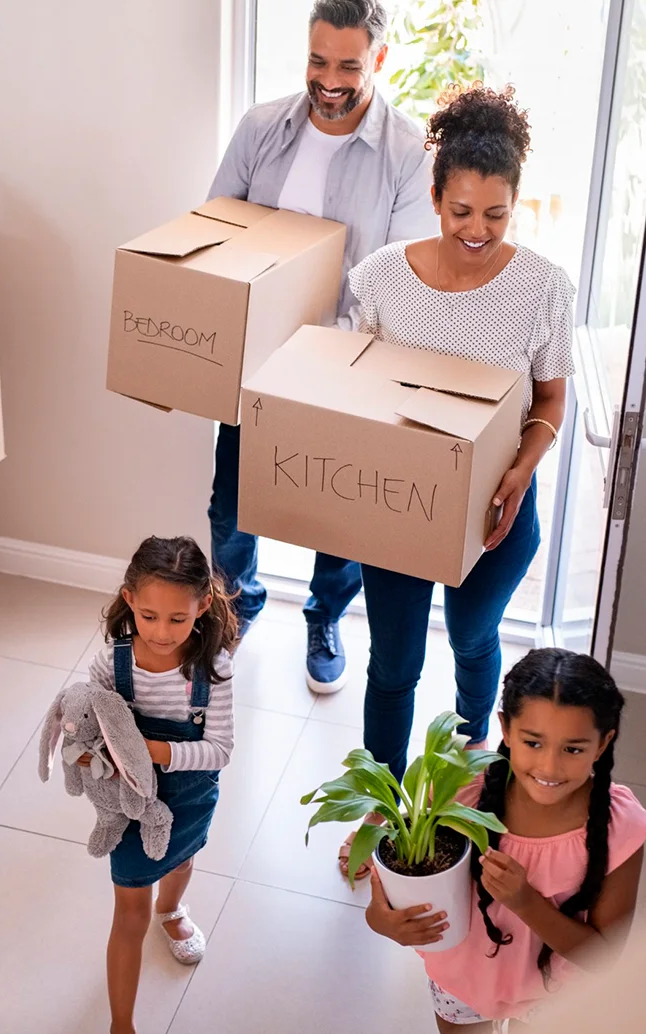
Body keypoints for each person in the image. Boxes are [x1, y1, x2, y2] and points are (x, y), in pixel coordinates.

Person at [339, 83, 575, 877]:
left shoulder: (543, 287)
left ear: (516, 207)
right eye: (461, 211)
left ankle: (474, 754)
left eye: (496, 215)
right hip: (401, 514)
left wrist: (518, 471)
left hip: (500, 513)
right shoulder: (380, 279)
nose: (477, 231)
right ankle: (377, 810)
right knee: (395, 663)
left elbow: (549, 399)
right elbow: (353, 386)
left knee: (475, 638)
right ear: (435, 198)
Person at [207, 0, 438, 694]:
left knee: (337, 515)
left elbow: (397, 282)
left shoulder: (407, 153)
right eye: (317, 60)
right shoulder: (260, 130)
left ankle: (323, 614)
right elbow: (215, 231)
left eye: (348, 65)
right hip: (254, 362)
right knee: (231, 500)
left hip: (346, 369)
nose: (329, 80)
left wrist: (326, 352)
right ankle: (235, 605)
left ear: (380, 61)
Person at [366, 649, 646, 1032]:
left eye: (573, 749)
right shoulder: (457, 792)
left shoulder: (622, 829)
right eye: (533, 743)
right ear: (506, 729)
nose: (549, 766)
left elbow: (604, 957)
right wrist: (381, 919)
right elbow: (401, 876)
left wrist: (526, 902)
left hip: (557, 998)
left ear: (602, 743)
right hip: (462, 981)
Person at [83, 536, 237, 1034]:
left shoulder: (212, 670)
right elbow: (90, 723)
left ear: (203, 606)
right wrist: (91, 753)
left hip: (191, 795)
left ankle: (171, 909)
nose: (162, 632)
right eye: (148, 616)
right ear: (129, 600)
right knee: (129, 911)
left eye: (178, 619)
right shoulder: (112, 663)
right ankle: (121, 1023)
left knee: (184, 859)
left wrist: (156, 752)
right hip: (131, 804)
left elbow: (220, 750)